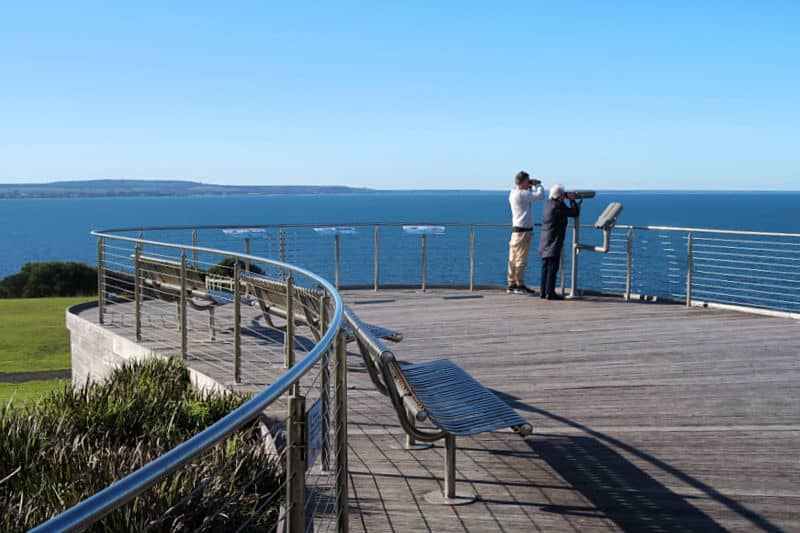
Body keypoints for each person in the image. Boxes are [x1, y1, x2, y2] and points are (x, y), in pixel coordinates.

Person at [538, 184, 580, 300]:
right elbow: (574, 213)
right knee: (552, 267)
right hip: (553, 240)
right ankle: (550, 293)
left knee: (545, 267)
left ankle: (543, 292)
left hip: (545, 239)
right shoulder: (558, 206)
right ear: (560, 195)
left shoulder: (549, 204)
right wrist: (572, 201)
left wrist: (565, 198)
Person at [507, 170, 544, 295]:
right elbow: (540, 196)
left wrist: (528, 185)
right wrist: (538, 184)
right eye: (528, 181)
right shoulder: (523, 194)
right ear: (523, 183)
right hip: (524, 232)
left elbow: (526, 195)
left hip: (515, 231)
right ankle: (519, 285)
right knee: (521, 260)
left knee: (512, 258)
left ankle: (511, 284)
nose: (530, 183)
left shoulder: (513, 193)